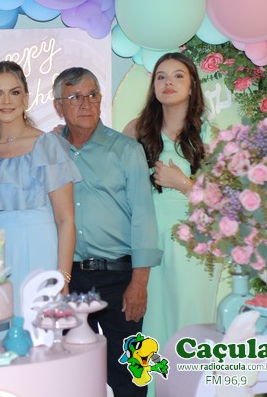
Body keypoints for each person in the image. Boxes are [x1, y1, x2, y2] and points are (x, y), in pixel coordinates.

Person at [54, 67, 161, 397]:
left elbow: (144, 217)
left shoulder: (126, 150)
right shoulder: (50, 150)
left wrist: (139, 283)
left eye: (92, 95)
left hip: (120, 279)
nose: (85, 103)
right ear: (58, 105)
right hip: (70, 281)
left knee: (130, 376)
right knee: (71, 377)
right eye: (74, 97)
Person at [123, 53, 220, 354]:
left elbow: (224, 206)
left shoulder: (209, 135)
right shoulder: (136, 131)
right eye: (161, 77)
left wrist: (183, 183)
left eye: (178, 76)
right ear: (153, 87)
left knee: (188, 326)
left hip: (194, 245)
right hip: (148, 244)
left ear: (192, 86)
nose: (168, 82)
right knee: (152, 330)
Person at [0, 61, 80, 315]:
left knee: (37, 328)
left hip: (38, 249)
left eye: (14, 92)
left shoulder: (47, 144)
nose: (7, 101)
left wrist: (63, 278)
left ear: (26, 98)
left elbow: (66, 219)